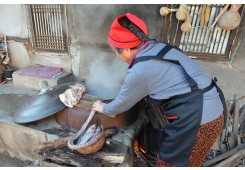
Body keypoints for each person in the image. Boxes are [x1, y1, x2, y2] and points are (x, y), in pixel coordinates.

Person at [92, 12, 225, 167]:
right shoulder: (158, 47)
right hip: (213, 107)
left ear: (127, 49)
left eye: (117, 52)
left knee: (171, 164)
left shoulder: (140, 70)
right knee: (188, 162)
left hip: (201, 120)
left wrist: (103, 107)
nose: (117, 56)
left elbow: (120, 105)